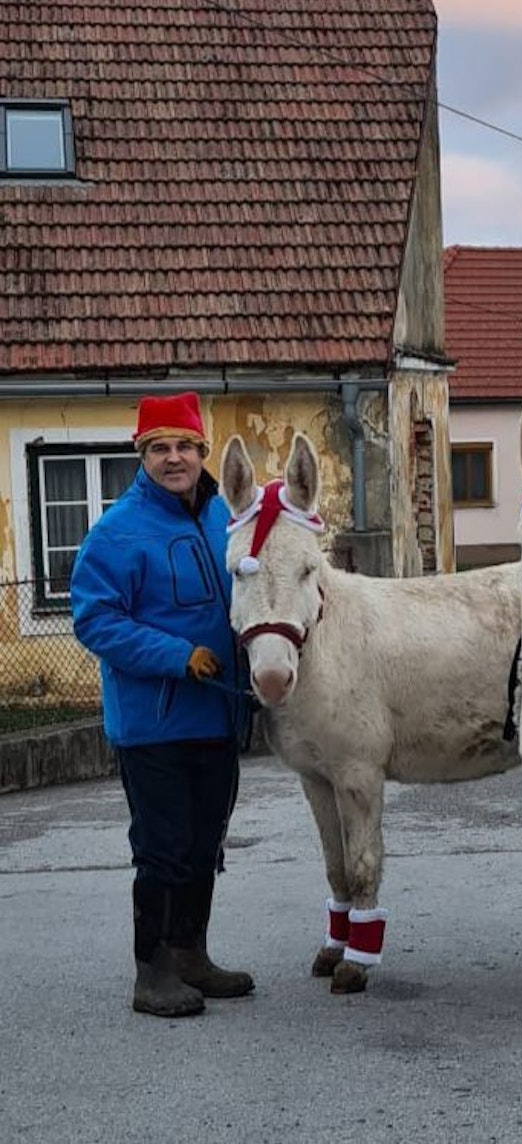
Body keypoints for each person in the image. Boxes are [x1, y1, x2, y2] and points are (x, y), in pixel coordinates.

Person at [71, 391, 253, 1018]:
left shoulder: (222, 517)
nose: (174, 458)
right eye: (160, 448)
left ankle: (191, 956)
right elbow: (96, 622)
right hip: (154, 724)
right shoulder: (117, 533)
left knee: (205, 845)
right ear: (141, 455)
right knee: (163, 848)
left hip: (217, 717)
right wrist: (177, 656)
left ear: (203, 451)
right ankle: (152, 973)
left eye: (184, 446)